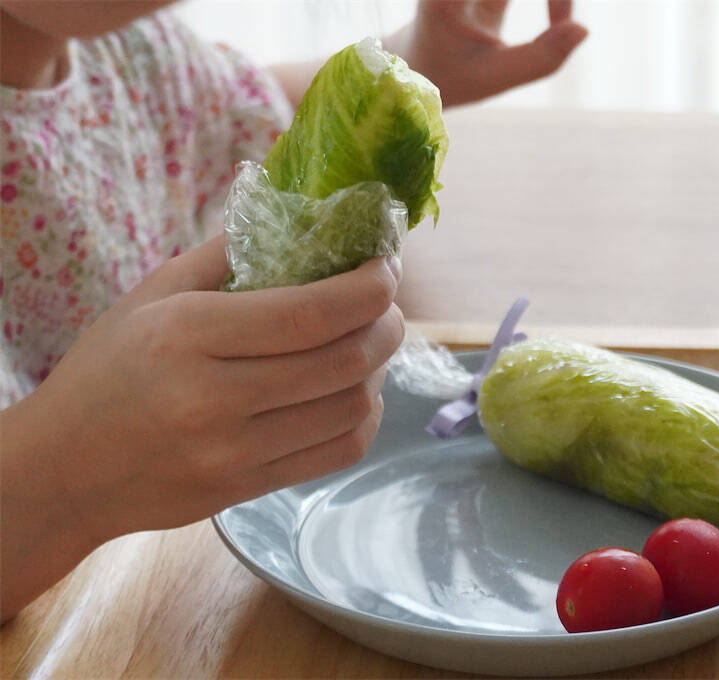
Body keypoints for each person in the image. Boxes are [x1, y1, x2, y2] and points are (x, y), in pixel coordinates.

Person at [0, 0, 587, 622]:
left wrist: (420, 55)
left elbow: (229, 112)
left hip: (147, 595)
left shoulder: (130, 52)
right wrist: (64, 484)